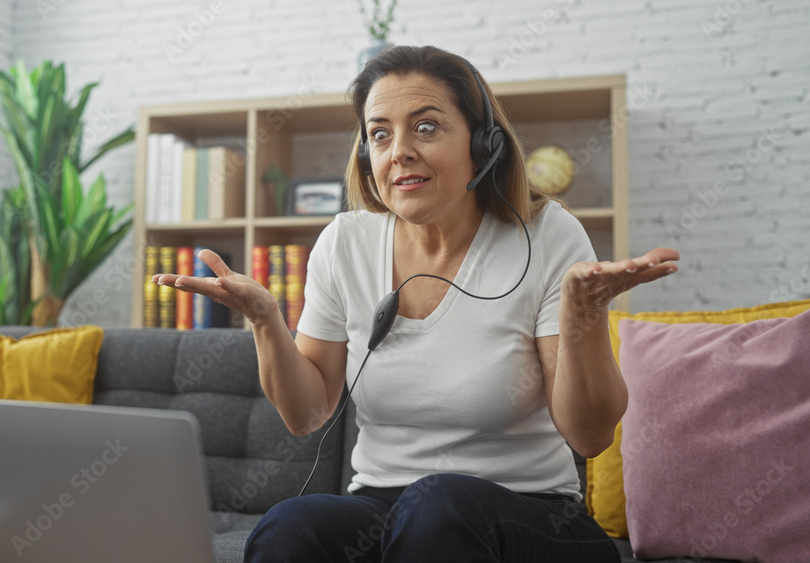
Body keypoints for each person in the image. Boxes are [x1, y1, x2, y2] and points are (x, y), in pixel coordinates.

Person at [154, 45, 679, 563]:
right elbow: (306, 414)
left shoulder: (546, 235)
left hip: (530, 513)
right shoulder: (345, 243)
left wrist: (583, 317)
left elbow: (588, 436)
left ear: (484, 143)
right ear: (366, 154)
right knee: (291, 526)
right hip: (385, 506)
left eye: (425, 127)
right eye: (379, 133)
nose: (398, 150)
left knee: (437, 507)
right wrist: (266, 321)